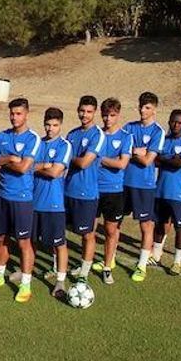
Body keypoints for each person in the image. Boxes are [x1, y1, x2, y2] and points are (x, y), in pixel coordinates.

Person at [0, 98, 40, 302]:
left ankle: (25, 285)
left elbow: (23, 168)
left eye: (18, 113)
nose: (14, 117)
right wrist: (11, 159)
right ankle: (0, 275)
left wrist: (7, 161)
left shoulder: (33, 139)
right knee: (1, 238)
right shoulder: (2, 136)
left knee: (23, 242)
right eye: (12, 113)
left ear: (26, 114)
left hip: (22, 198)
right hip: (2, 195)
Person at [123, 92, 165, 282]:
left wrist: (134, 152)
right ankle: (110, 260)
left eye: (147, 107)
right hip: (123, 182)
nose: (142, 110)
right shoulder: (129, 127)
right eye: (141, 106)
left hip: (145, 185)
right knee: (113, 222)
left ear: (154, 109)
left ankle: (141, 265)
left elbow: (148, 161)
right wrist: (136, 151)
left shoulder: (158, 132)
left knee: (146, 225)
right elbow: (120, 150)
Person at [64, 96, 105, 283]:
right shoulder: (72, 134)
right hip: (67, 190)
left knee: (87, 234)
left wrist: (69, 158)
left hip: (87, 193)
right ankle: (59, 268)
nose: (84, 115)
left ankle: (84, 273)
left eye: (89, 111)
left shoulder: (98, 135)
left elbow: (84, 162)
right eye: (82, 111)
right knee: (60, 232)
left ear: (94, 112)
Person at [33, 108, 73, 298]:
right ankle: (26, 272)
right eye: (48, 124)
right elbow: (28, 166)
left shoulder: (64, 146)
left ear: (60, 125)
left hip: (54, 203)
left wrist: (37, 167)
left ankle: (60, 280)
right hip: (33, 202)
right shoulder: (37, 143)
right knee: (30, 241)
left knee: (59, 243)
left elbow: (55, 173)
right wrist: (44, 166)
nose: (50, 128)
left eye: (55, 125)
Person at [152, 109, 181, 275]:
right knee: (159, 224)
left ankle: (177, 262)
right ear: (169, 121)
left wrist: (164, 158)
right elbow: (154, 161)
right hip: (160, 190)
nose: (175, 125)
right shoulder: (163, 140)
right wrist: (171, 158)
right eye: (173, 121)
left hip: (179, 193)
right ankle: (156, 256)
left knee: (180, 227)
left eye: (179, 122)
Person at [94, 98, 132, 284]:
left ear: (118, 115)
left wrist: (99, 158)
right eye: (105, 115)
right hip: (92, 188)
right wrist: (111, 160)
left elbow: (122, 164)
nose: (108, 119)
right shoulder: (96, 135)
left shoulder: (125, 137)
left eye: (112, 115)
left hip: (114, 191)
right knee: (89, 230)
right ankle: (85, 263)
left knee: (110, 230)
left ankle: (107, 266)